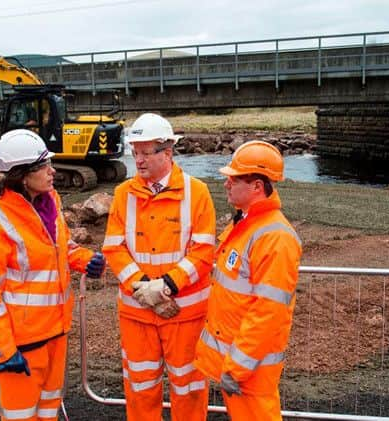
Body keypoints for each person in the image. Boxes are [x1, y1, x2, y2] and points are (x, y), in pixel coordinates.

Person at [0, 129, 106, 421]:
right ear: (21, 175)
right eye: (43, 166)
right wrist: (4, 351)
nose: (52, 171)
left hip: (56, 334)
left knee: (48, 413)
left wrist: (84, 260)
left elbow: (61, 249)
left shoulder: (50, 203)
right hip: (23, 346)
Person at [102, 113, 216, 421]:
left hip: (184, 315)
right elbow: (114, 248)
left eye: (145, 152)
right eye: (134, 152)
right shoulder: (123, 194)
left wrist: (164, 287)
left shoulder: (197, 193)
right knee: (140, 390)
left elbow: (203, 252)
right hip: (137, 315)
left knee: (189, 389)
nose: (138, 160)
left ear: (167, 152)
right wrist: (143, 288)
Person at [194, 141, 302, 421]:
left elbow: (268, 312)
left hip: (249, 370)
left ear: (256, 186)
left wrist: (237, 367)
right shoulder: (246, 225)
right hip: (240, 365)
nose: (226, 184)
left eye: (234, 179)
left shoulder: (275, 237)